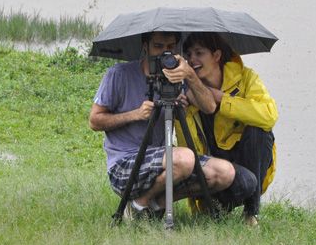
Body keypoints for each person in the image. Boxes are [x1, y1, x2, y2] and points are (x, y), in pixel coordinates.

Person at [89, 31, 257, 220]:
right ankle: (136, 207)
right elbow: (95, 121)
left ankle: (154, 205)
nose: (164, 53)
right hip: (125, 164)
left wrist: (190, 75)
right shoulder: (119, 74)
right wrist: (135, 114)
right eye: (158, 47)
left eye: (170, 47)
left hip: (164, 162)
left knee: (224, 172)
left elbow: (209, 106)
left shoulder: (178, 76)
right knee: (184, 158)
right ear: (145, 47)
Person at [177, 32, 277, 226]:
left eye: (199, 53)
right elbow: (187, 152)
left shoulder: (247, 78)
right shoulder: (186, 91)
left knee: (260, 131)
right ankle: (214, 209)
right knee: (244, 182)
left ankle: (251, 214)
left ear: (216, 56)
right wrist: (182, 114)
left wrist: (222, 99)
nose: (192, 60)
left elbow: (269, 115)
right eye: (188, 54)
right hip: (216, 175)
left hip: (246, 164)